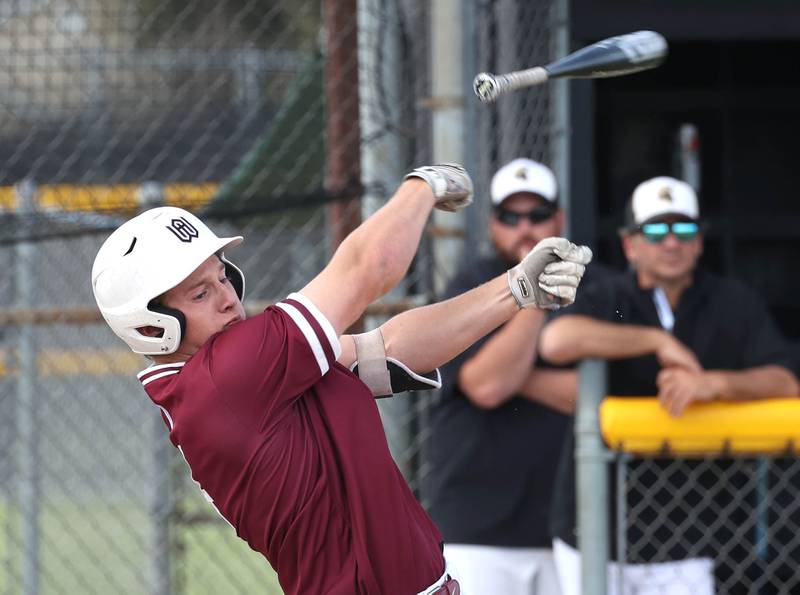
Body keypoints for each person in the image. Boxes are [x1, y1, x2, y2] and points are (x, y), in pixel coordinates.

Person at [91, 164, 593, 595]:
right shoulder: (226, 377)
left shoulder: (239, 379)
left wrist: (515, 290)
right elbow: (368, 268)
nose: (226, 297)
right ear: (152, 326)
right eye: (199, 294)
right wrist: (424, 184)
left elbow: (387, 349)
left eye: (222, 276)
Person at [538, 176, 800, 595]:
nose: (671, 242)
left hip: (695, 530)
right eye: (656, 231)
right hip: (592, 526)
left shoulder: (733, 301)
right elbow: (556, 341)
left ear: (699, 242)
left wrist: (714, 385)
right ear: (630, 245)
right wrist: (657, 341)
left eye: (684, 230)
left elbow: (786, 381)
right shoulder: (608, 295)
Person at [425, 158, 609, 595]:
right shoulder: (470, 285)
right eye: (511, 216)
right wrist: (536, 300)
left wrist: (513, 375)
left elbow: (606, 398)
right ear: (493, 224)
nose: (525, 227)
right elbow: (487, 387)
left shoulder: (598, 285)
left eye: (538, 215)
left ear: (560, 218)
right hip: (479, 525)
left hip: (576, 530)